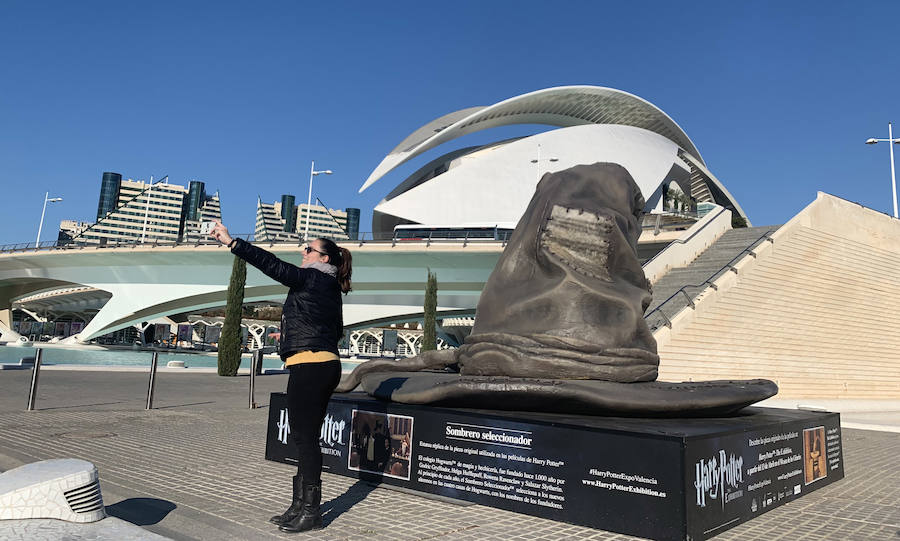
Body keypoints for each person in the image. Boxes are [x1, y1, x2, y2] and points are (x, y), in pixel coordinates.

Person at [210, 222, 352, 533]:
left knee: (306, 439)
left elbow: (273, 265)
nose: (303, 252)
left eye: (309, 249)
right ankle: (300, 505)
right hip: (317, 363)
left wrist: (233, 243)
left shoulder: (313, 278)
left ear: (323, 259)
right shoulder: (328, 287)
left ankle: (311, 511)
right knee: (303, 438)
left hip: (311, 365)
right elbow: (337, 330)